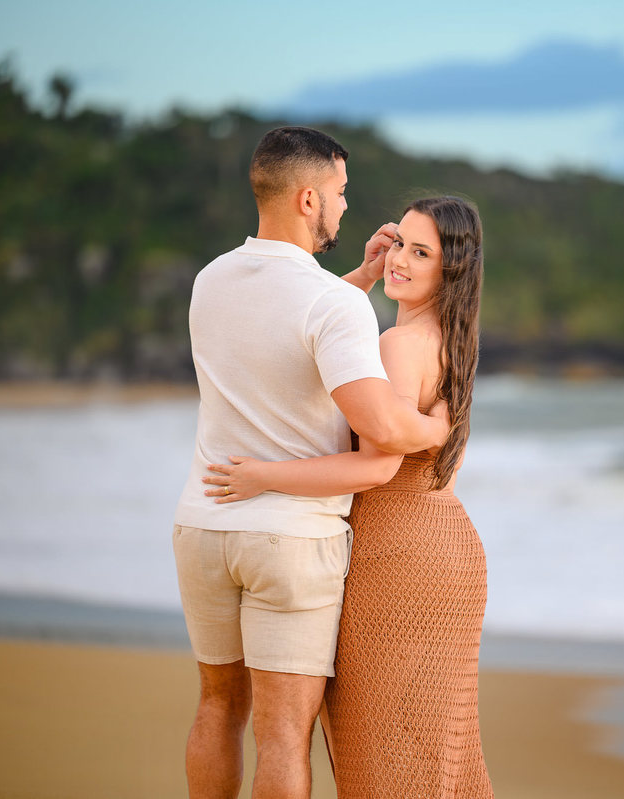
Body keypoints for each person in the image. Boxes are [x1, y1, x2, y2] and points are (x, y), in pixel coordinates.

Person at [172, 126, 449, 799]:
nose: (347, 206)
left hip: (204, 525)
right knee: (282, 734)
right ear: (307, 199)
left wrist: (359, 279)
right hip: (289, 540)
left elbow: (282, 325)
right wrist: (441, 426)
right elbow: (380, 424)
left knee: (217, 706)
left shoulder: (213, 279)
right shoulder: (335, 305)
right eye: (340, 192)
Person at [200, 196, 494, 797]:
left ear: (452, 268)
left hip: (394, 559)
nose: (400, 261)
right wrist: (359, 277)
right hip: (447, 550)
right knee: (436, 751)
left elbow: (376, 467)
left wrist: (265, 475)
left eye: (421, 252)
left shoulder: (396, 346)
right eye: (399, 243)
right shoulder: (451, 341)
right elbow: (314, 325)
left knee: (379, 755)